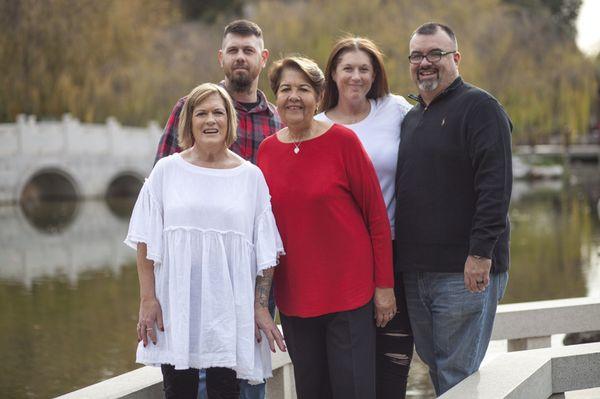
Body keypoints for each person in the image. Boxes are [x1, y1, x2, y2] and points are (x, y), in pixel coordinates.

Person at [125, 83, 285, 399]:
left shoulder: (250, 177)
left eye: (218, 112)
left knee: (225, 391)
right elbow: (145, 242)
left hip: (229, 310)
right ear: (189, 121)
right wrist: (147, 299)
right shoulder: (166, 171)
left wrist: (259, 305)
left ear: (229, 121)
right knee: (179, 392)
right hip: (177, 309)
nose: (210, 120)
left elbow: (266, 253)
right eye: (201, 113)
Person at [154, 19, 282, 399]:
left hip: (251, 269)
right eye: (233, 50)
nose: (240, 57)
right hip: (189, 278)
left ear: (262, 58)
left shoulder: (276, 121)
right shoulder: (188, 108)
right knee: (192, 375)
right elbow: (159, 205)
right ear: (221, 57)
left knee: (246, 373)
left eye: (248, 50)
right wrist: (152, 292)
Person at [257, 56, 396, 399]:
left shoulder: (343, 142)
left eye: (303, 89)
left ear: (319, 97)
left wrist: (385, 286)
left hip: (348, 296)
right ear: (276, 97)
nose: (294, 97)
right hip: (296, 297)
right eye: (286, 89)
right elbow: (261, 230)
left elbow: (376, 218)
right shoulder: (267, 151)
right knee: (311, 392)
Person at [395, 22, 512, 395]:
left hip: (463, 270)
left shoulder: (480, 108)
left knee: (456, 374)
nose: (425, 62)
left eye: (435, 54)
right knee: (436, 367)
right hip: (417, 272)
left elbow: (495, 188)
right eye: (417, 56)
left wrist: (480, 254)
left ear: (455, 58)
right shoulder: (413, 117)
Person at [315, 36, 413, 399]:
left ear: (375, 75)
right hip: (340, 261)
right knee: (348, 365)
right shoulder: (317, 124)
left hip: (393, 252)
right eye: (347, 69)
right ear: (333, 75)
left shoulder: (396, 110)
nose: (355, 77)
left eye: (364, 69)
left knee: (394, 360)